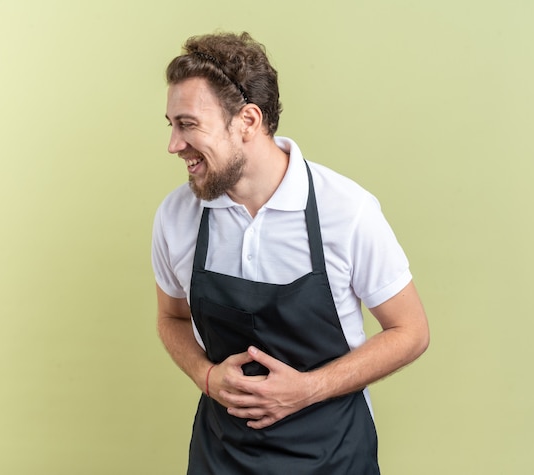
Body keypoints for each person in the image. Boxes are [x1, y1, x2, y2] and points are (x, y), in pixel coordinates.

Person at [152, 31, 430, 474]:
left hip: (333, 456)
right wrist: (206, 376)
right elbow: (171, 318)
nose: (173, 144)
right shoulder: (177, 215)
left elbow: (411, 331)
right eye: (170, 124)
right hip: (220, 457)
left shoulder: (346, 210)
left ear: (247, 120)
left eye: (188, 124)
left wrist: (309, 389)